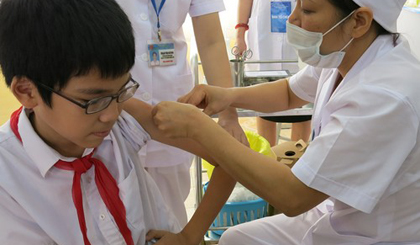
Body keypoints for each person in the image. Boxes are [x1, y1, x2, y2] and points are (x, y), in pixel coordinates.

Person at [150, 0, 420, 243]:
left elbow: (293, 197)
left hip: (379, 234)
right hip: (337, 214)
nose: (292, 19)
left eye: (308, 9)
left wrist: (200, 128)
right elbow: (290, 92)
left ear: (359, 22)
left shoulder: (383, 96)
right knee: (237, 238)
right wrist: (227, 97)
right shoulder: (346, 53)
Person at [0, 0, 236, 244]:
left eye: (122, 91)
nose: (111, 114)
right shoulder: (8, 177)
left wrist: (190, 234)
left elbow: (232, 155)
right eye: (92, 101)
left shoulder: (126, 116)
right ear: (27, 92)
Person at [115, 0, 247, 227]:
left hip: (172, 108)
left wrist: (228, 116)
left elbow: (212, 41)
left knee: (170, 220)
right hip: (111, 111)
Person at [235, 0, 311, 146]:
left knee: (303, 93)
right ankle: (268, 157)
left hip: (300, 24)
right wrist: (240, 35)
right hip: (264, 31)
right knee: (263, 96)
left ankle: (296, 160)